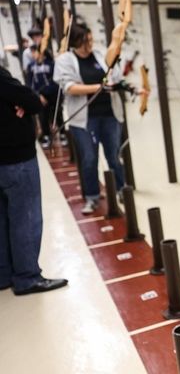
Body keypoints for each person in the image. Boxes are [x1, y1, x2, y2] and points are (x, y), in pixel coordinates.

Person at [0, 65, 68, 295]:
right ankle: (27, 277)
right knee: (25, 219)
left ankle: (4, 274)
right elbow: (33, 102)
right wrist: (20, 104)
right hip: (15, 159)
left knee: (3, 219)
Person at [53, 24, 132, 215]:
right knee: (89, 159)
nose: (89, 44)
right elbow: (69, 87)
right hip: (84, 120)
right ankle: (92, 197)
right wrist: (99, 87)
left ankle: (122, 190)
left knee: (113, 155)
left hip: (109, 114)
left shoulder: (99, 55)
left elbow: (114, 75)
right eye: (84, 41)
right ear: (74, 42)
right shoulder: (65, 60)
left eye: (90, 40)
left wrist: (118, 84)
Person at [26, 44, 65, 149]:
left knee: (57, 114)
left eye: (35, 51)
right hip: (41, 96)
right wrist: (38, 95)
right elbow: (29, 84)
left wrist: (58, 95)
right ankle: (46, 135)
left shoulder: (51, 64)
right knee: (43, 116)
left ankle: (62, 133)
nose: (33, 54)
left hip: (53, 94)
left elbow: (56, 80)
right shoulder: (31, 67)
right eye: (32, 52)